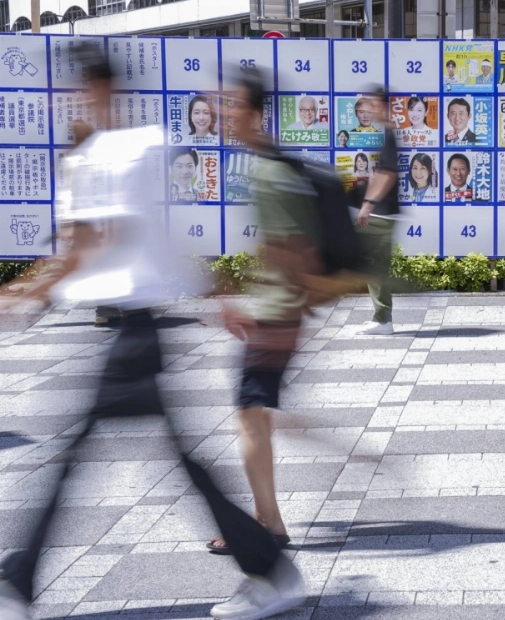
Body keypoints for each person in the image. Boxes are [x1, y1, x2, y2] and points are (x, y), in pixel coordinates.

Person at [0, 52, 304, 620]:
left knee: (82, 462)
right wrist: (215, 294)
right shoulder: (103, 154)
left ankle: (18, 586)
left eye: (75, 90)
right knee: (150, 461)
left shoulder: (122, 151)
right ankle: (269, 569)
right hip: (130, 332)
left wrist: (25, 293)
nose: (63, 101)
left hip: (134, 335)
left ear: (100, 89)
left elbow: (93, 242)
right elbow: (125, 241)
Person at [206, 67, 327, 563]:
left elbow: (294, 249)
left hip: (277, 315)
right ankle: (267, 519)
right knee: (254, 416)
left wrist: (283, 321)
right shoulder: (269, 167)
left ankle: (268, 524)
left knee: (249, 419)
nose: (224, 114)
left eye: (232, 106)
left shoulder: (271, 174)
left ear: (255, 114)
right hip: (277, 311)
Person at [356, 88, 401, 335]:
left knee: (375, 265)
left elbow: (389, 174)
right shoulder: (385, 133)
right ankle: (380, 316)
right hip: (382, 211)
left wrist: (368, 204)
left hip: (382, 213)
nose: (368, 110)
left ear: (382, 105)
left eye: (371, 104)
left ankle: (383, 320)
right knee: (373, 264)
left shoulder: (390, 134)